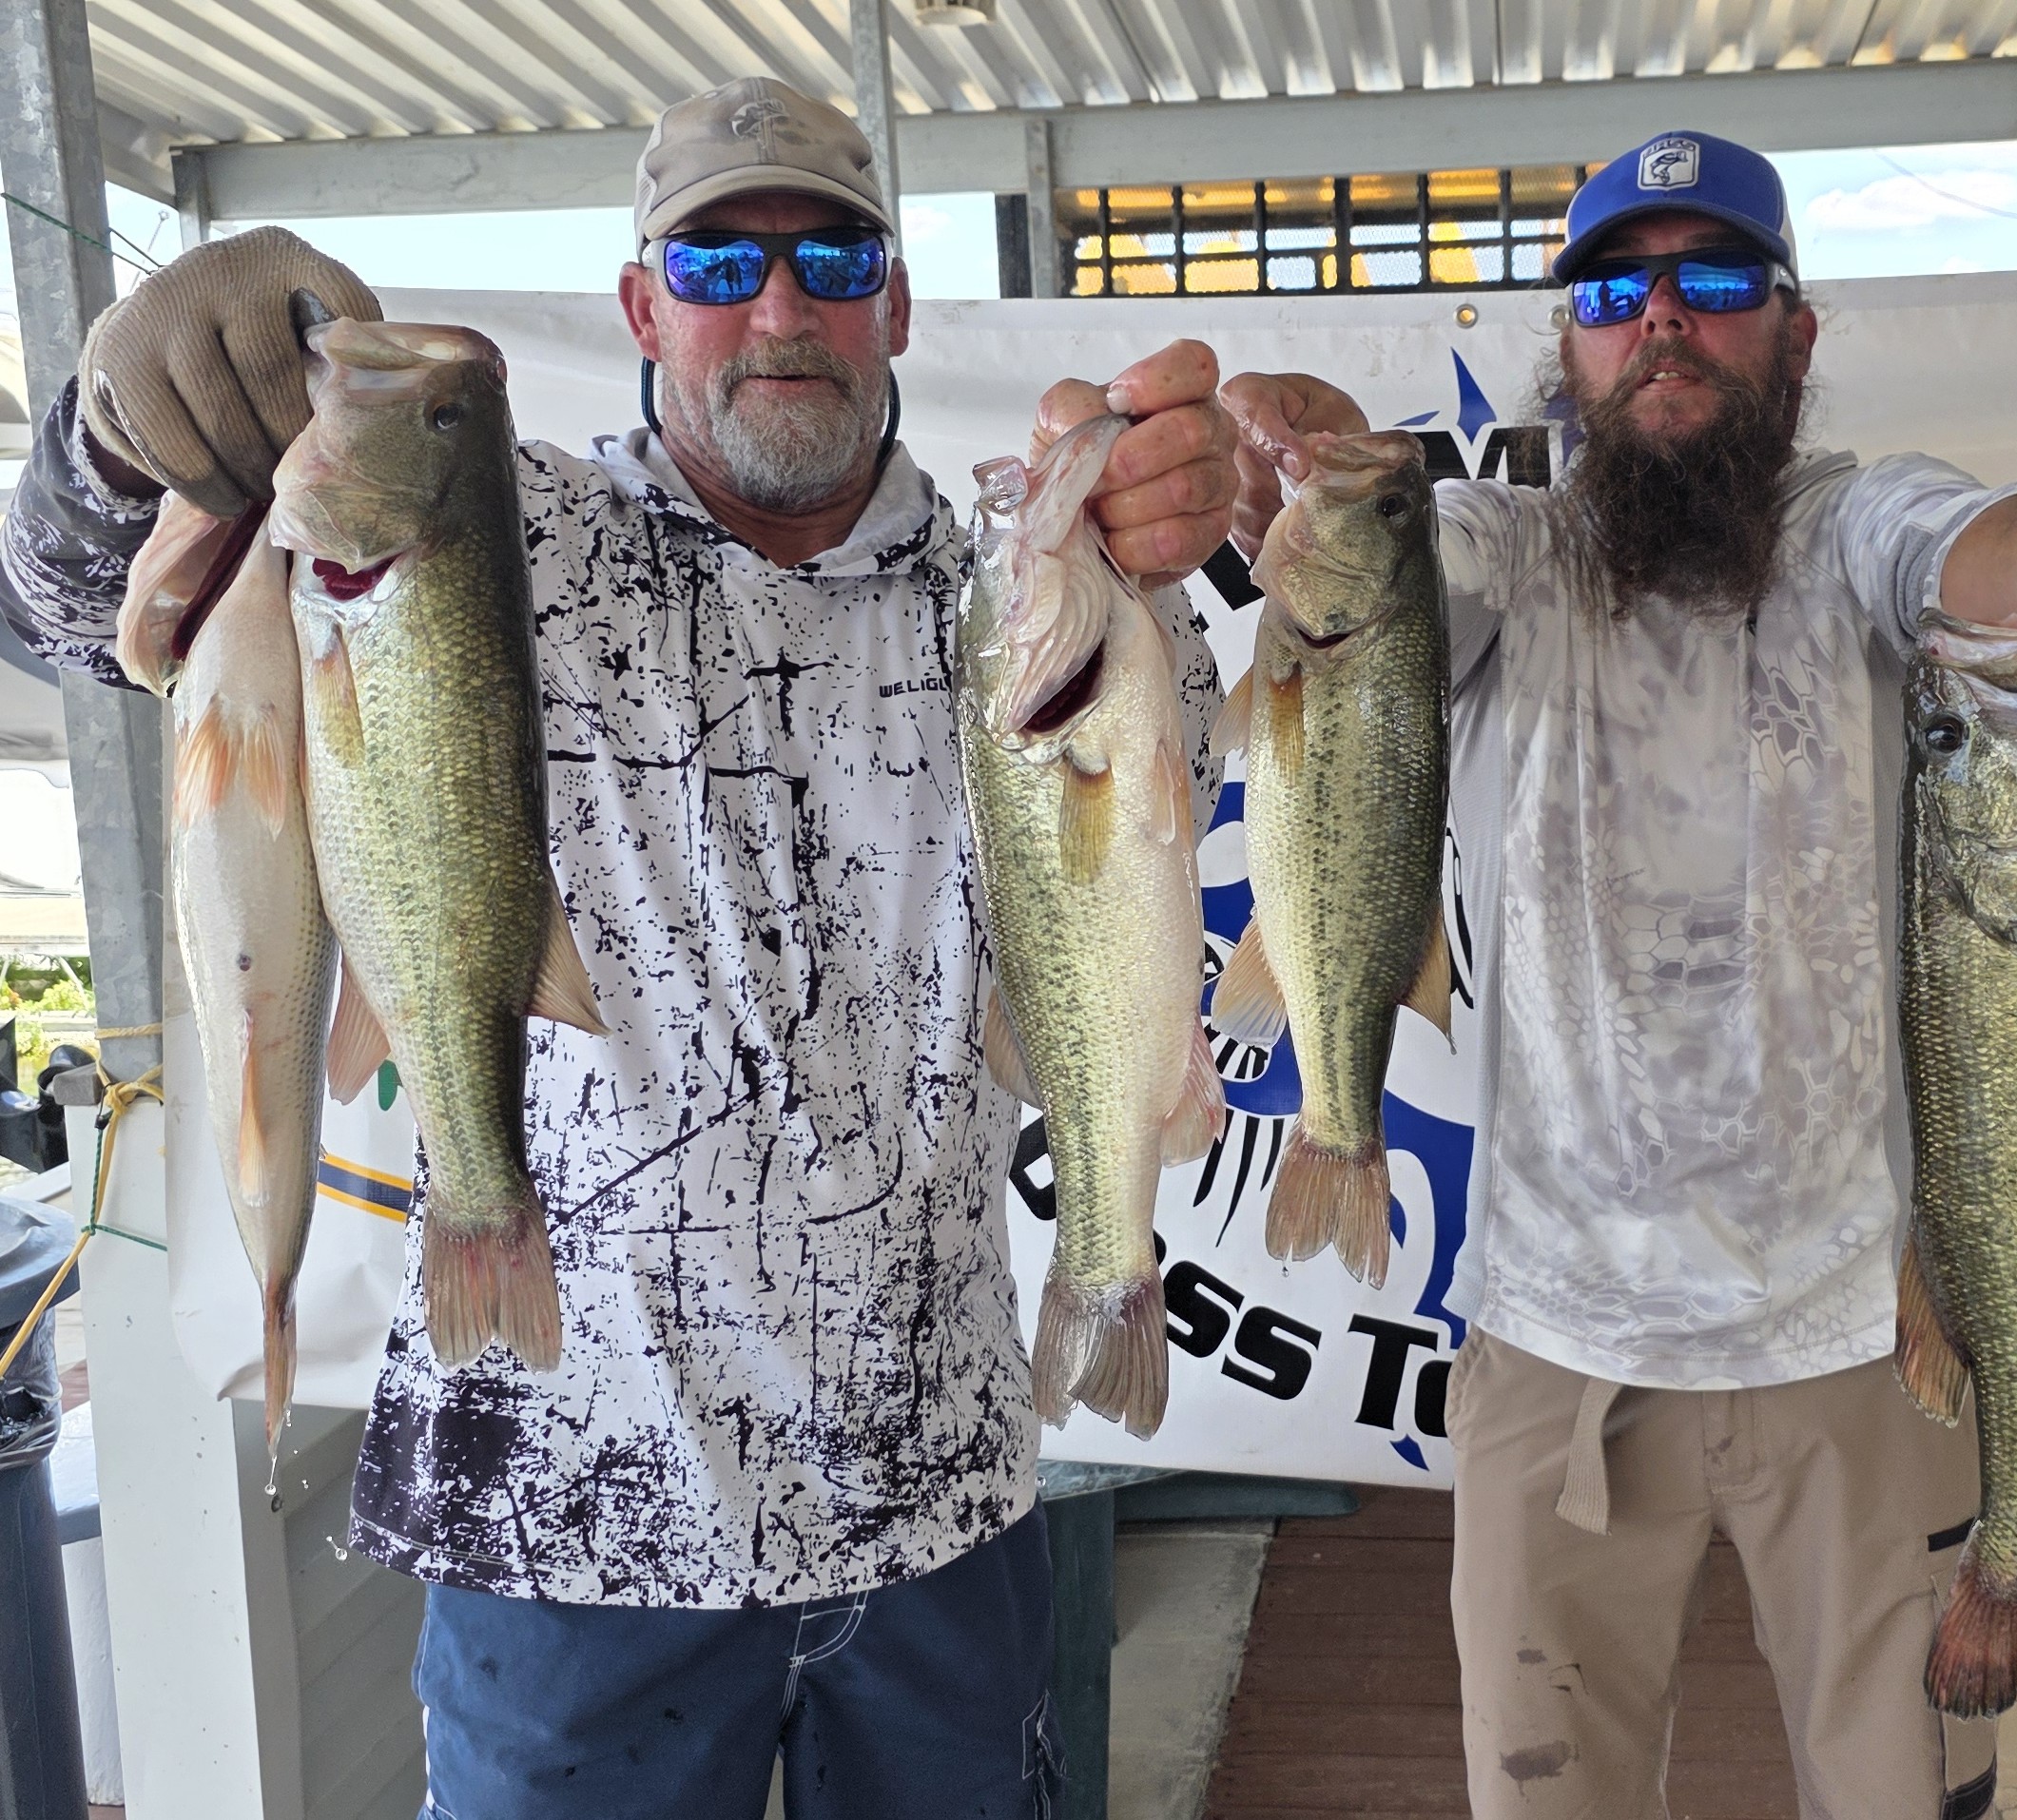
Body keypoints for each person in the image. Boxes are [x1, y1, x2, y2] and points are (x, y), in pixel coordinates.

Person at [0, 76, 1236, 1820]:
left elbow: (1152, 854)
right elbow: (60, 611)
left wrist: (1174, 535)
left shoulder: (1022, 597)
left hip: (941, 1503)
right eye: (719, 261)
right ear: (645, 307)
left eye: (831, 258)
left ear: (895, 305)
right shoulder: (474, 524)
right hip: (561, 1510)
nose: (779, 305)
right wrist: (119, 438)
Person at [1223, 129, 2017, 1820]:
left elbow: (1976, 547)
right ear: (1567, 342)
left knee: (1905, 1794)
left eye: (1714, 278)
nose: (1661, 318)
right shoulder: (1504, 551)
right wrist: (1299, 479)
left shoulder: (1855, 532)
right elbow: (1382, 568)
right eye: (1612, 290)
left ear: (1795, 331)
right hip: (1556, 1341)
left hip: (1866, 1336)